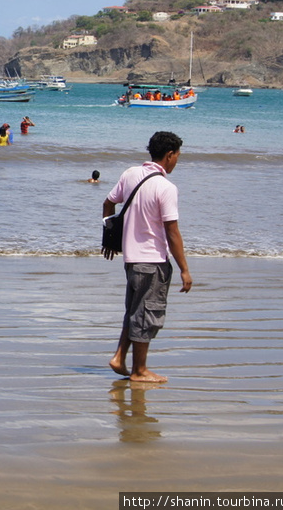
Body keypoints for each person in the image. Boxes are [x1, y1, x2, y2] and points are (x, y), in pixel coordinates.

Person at [103, 131, 193, 383]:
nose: (177, 161)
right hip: (152, 261)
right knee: (146, 313)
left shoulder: (130, 174)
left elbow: (108, 203)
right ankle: (139, 371)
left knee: (134, 310)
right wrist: (184, 269)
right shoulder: (165, 187)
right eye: (177, 157)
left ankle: (120, 357)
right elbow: (172, 232)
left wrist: (109, 240)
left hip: (131, 260)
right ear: (169, 155)